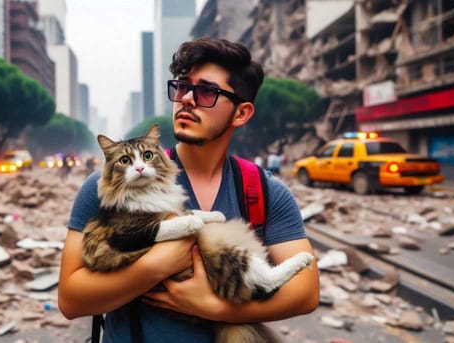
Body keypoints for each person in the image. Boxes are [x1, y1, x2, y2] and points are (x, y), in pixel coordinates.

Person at [58, 38, 319, 342]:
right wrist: (156, 266)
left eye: (206, 91)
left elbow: (306, 292)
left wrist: (212, 307)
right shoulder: (111, 188)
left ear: (241, 113)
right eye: (182, 87)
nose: (187, 99)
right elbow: (71, 300)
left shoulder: (264, 191)